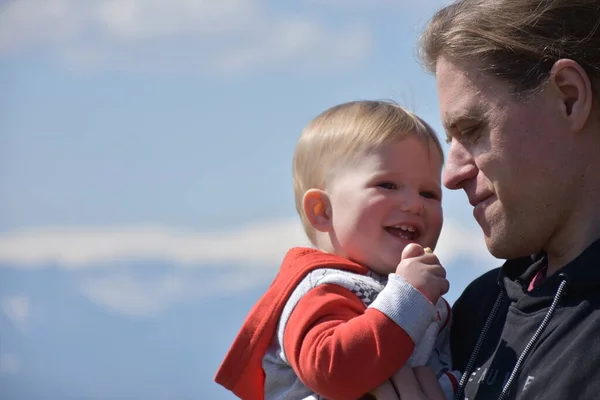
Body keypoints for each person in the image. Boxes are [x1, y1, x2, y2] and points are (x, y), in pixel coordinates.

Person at [214, 100, 461, 399]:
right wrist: (409, 298)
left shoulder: (413, 292)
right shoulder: (324, 289)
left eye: (428, 193)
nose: (414, 204)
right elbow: (333, 371)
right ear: (323, 211)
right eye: (387, 185)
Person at [418, 0, 600, 399]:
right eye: (450, 141)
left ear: (568, 97)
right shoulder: (476, 312)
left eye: (472, 129)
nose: (450, 175)